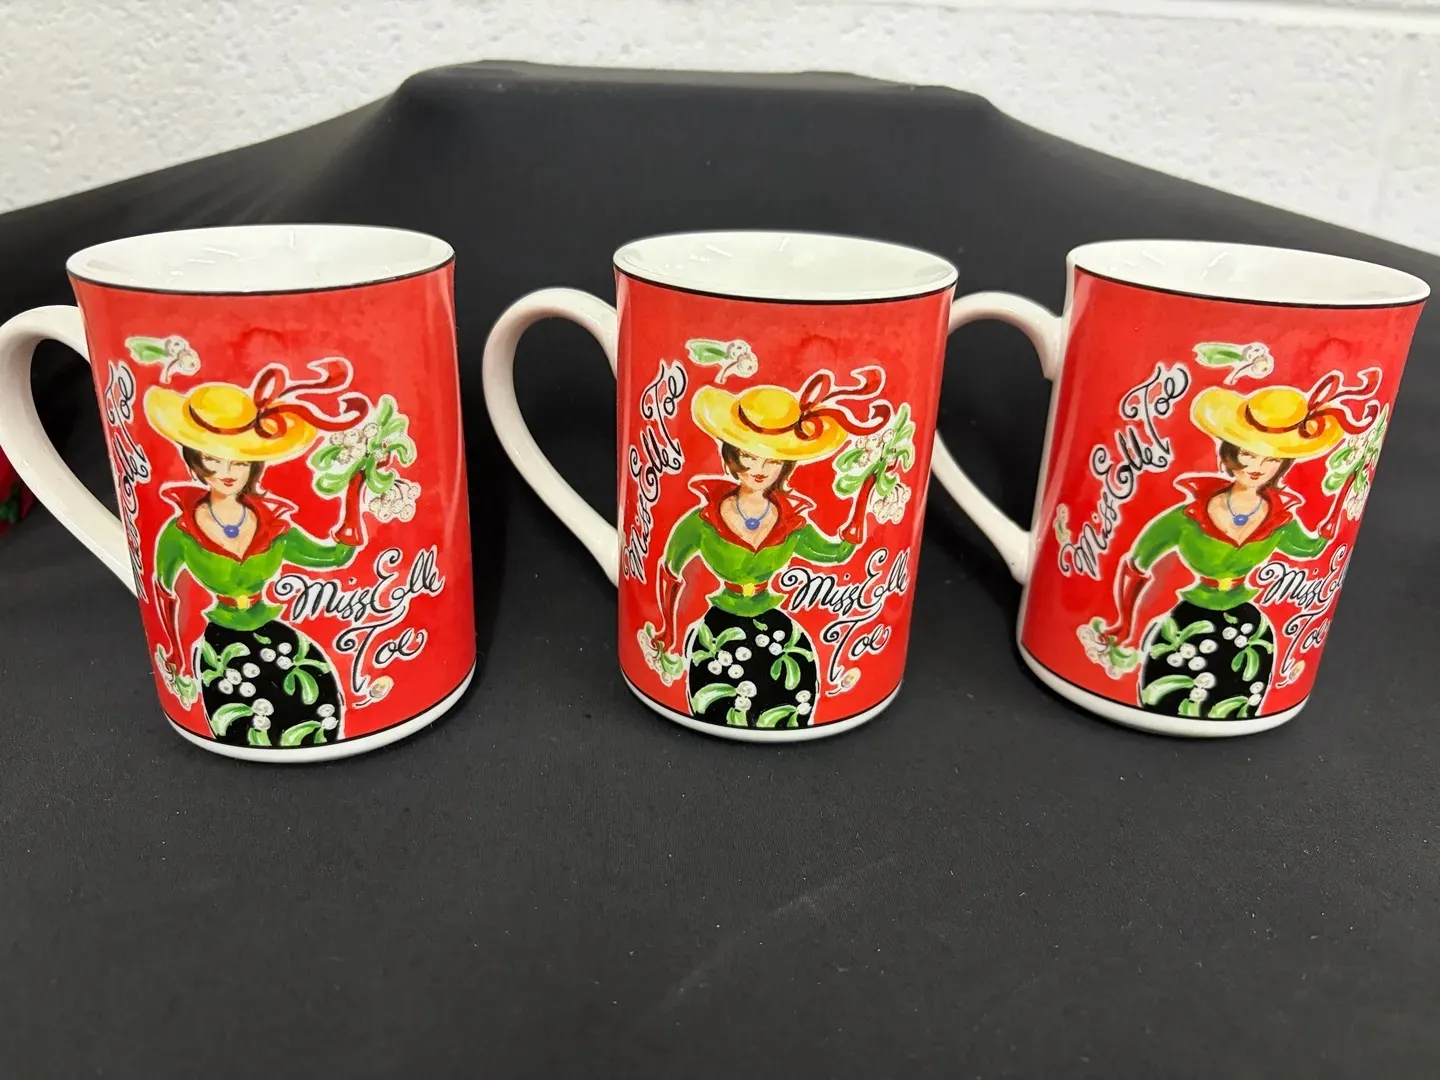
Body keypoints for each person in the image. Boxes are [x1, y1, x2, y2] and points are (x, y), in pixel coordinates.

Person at [1089, 369, 1379, 720]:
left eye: (1271, 459)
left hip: (1248, 629)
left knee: (1237, 697)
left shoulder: (1280, 521)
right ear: (1230, 453)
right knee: (1169, 692)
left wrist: (1343, 499)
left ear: (1282, 465)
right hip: (1188, 623)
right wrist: (1124, 621)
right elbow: (1137, 563)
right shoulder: (1188, 516)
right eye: (1248, 454)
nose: (1258, 467)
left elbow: (1313, 548)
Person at [642, 369, 893, 730]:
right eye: (749, 456)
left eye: (773, 460)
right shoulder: (703, 521)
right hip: (719, 630)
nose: (760, 469)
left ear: (785, 466)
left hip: (776, 631)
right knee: (716, 698)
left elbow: (837, 553)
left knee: (792, 689)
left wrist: (864, 497)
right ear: (732, 456)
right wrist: (668, 629)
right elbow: (669, 570)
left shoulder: (792, 524)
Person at [143, 361, 372, 748]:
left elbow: (334, 557)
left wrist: (354, 494)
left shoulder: (274, 526)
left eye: (240, 462)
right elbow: (163, 592)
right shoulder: (180, 531)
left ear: (253, 468)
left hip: (275, 637)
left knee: (313, 698)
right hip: (222, 646)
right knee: (239, 719)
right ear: (195, 461)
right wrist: (176, 657)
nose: (227, 471)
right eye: (213, 459)